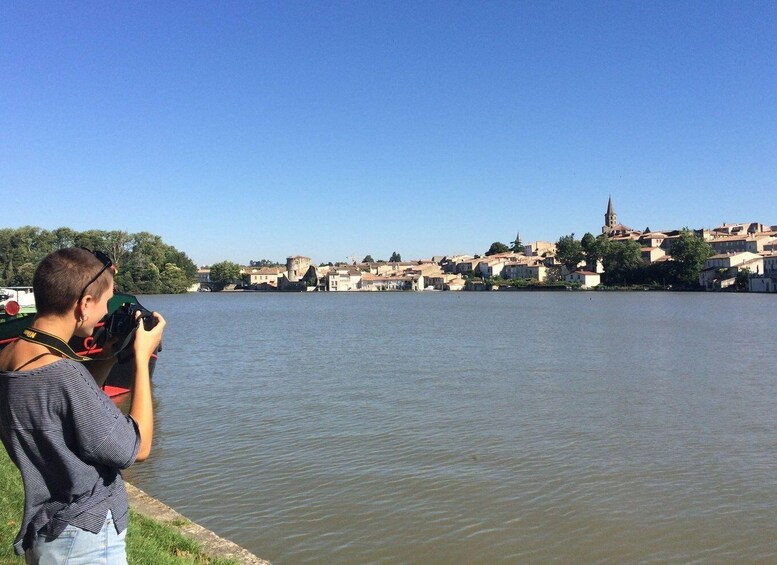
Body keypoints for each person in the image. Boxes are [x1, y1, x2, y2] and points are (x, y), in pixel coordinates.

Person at [0, 247, 166, 563]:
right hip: (84, 539)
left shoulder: (10, 360)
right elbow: (138, 447)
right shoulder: (63, 373)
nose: (106, 313)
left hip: (47, 529)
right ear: (85, 304)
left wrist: (109, 354)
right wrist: (141, 360)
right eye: (105, 302)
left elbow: (67, 409)